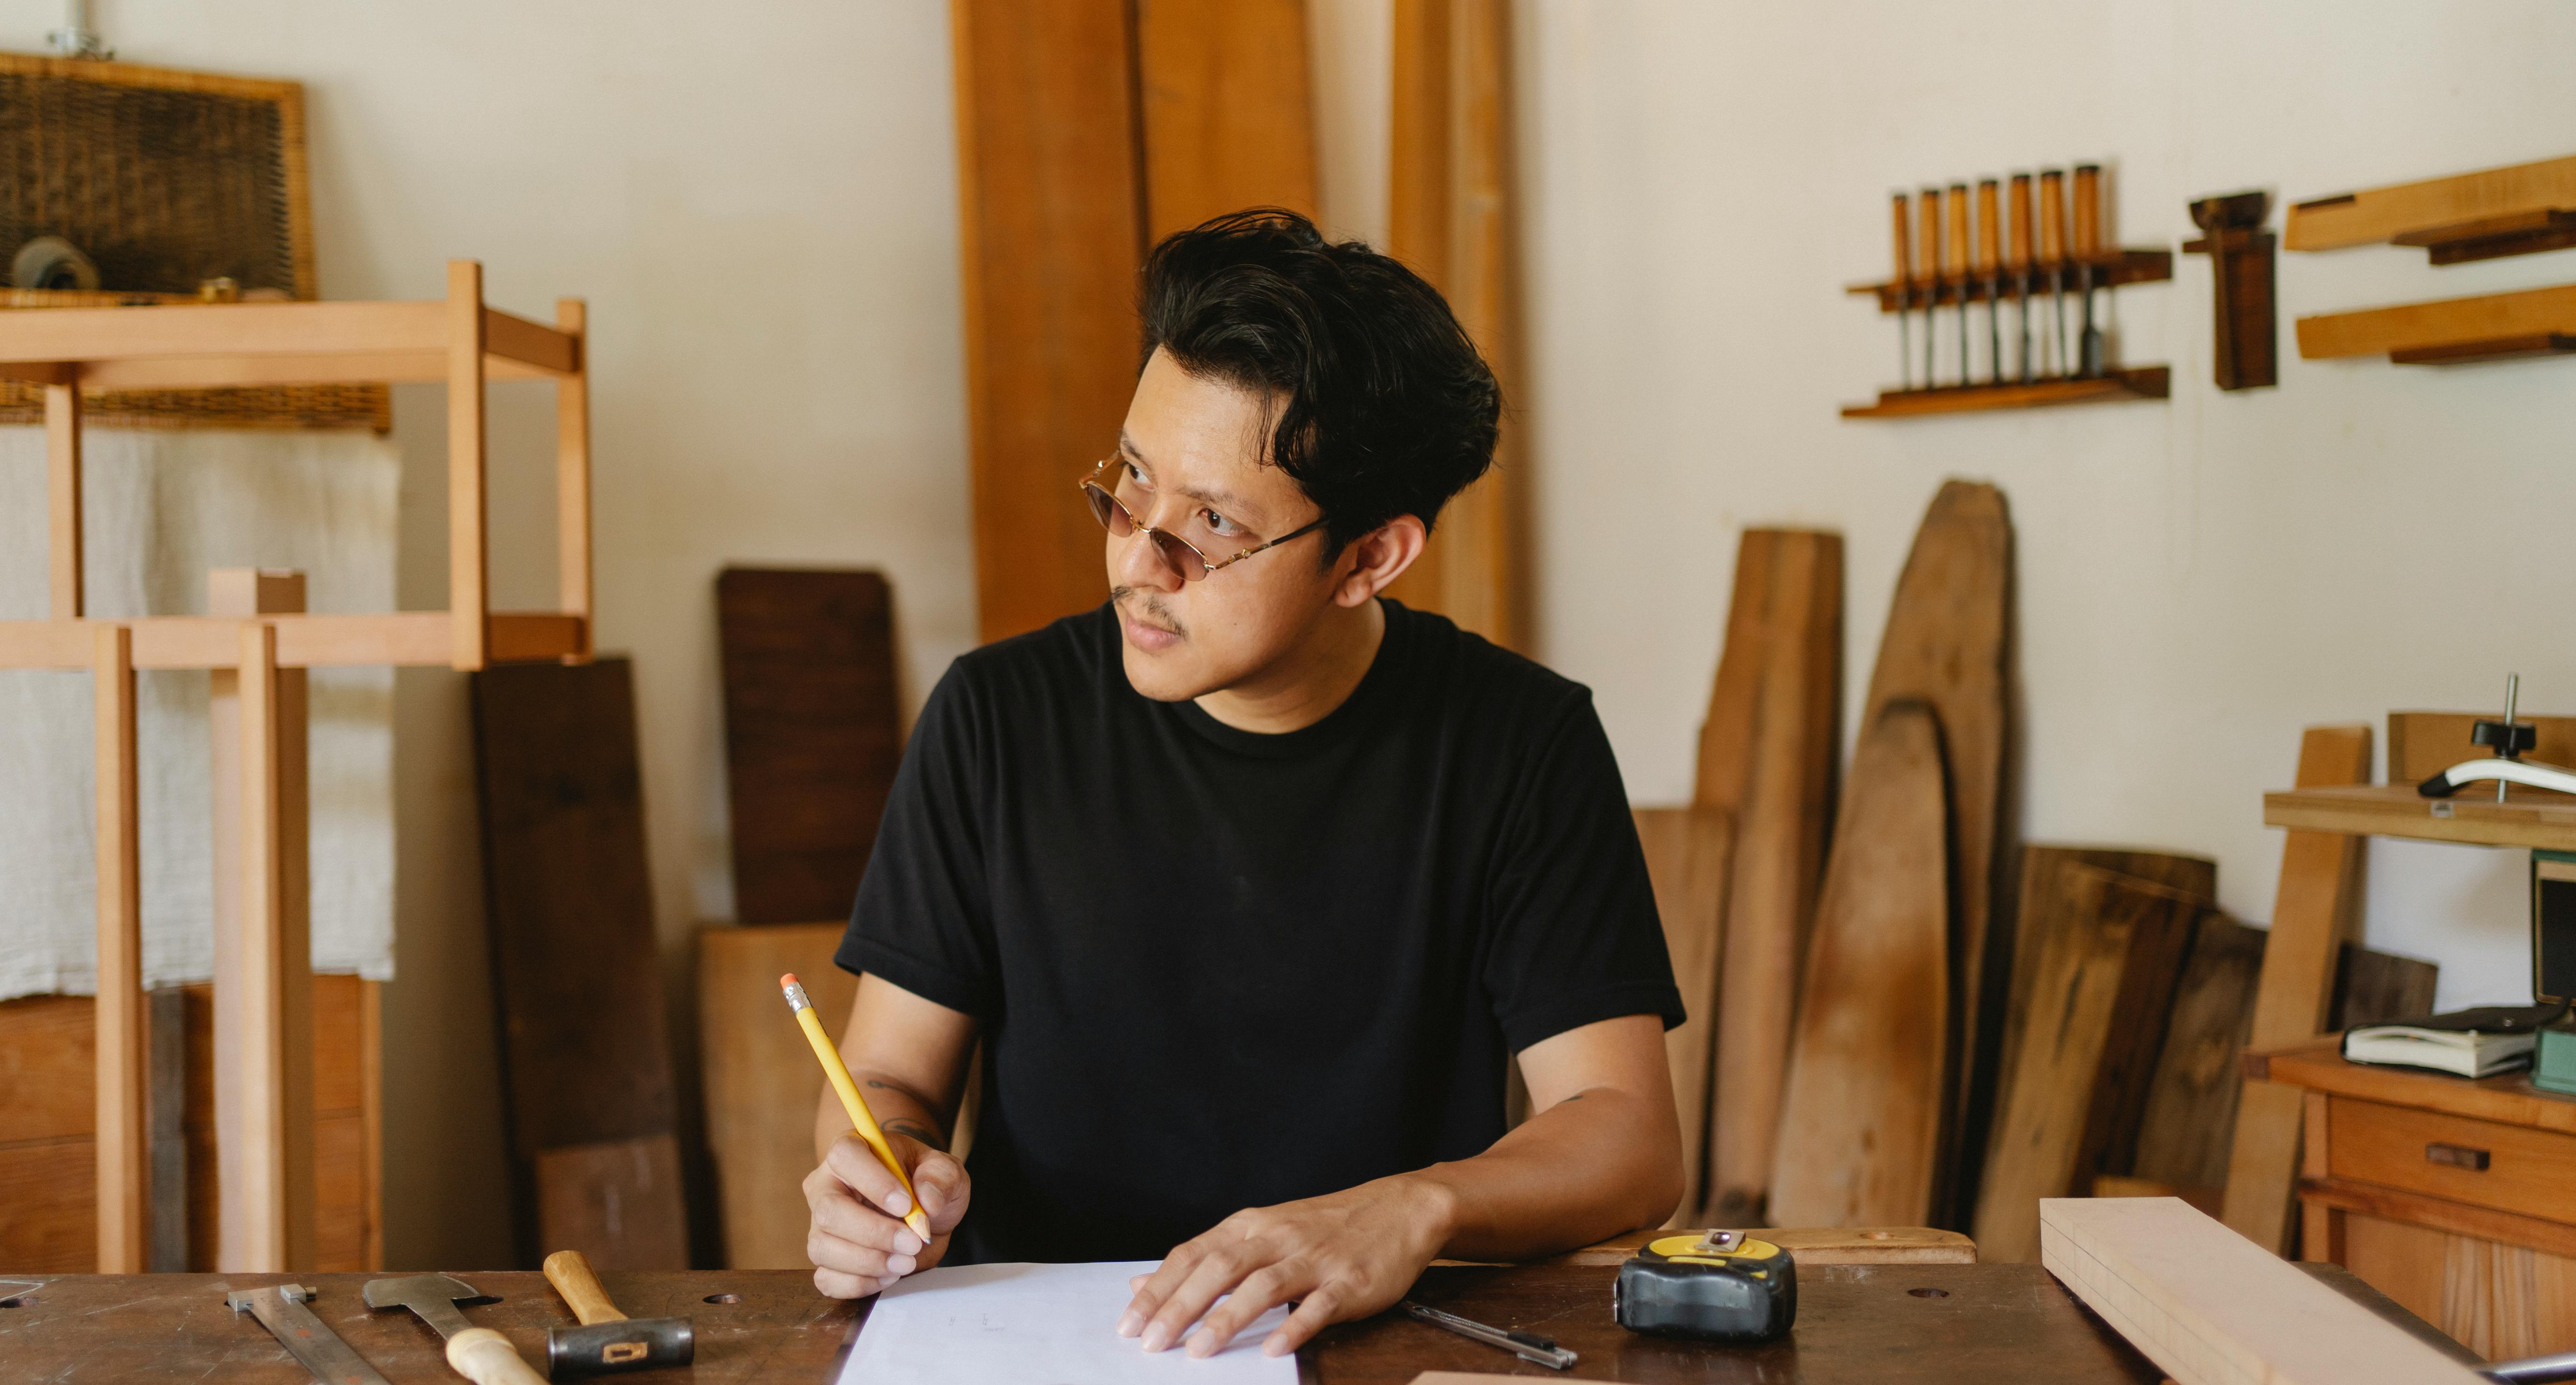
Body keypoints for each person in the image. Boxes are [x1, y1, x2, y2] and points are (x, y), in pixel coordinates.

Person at [804, 209, 1684, 1360]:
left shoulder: (1518, 741)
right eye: (1130, 480)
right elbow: (884, 1076)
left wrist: (1413, 1207)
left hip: (1363, 1340)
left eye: (1211, 523)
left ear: (1371, 557)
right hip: (1039, 1342)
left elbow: (1627, 1134)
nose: (1136, 558)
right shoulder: (997, 717)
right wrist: (881, 1169)